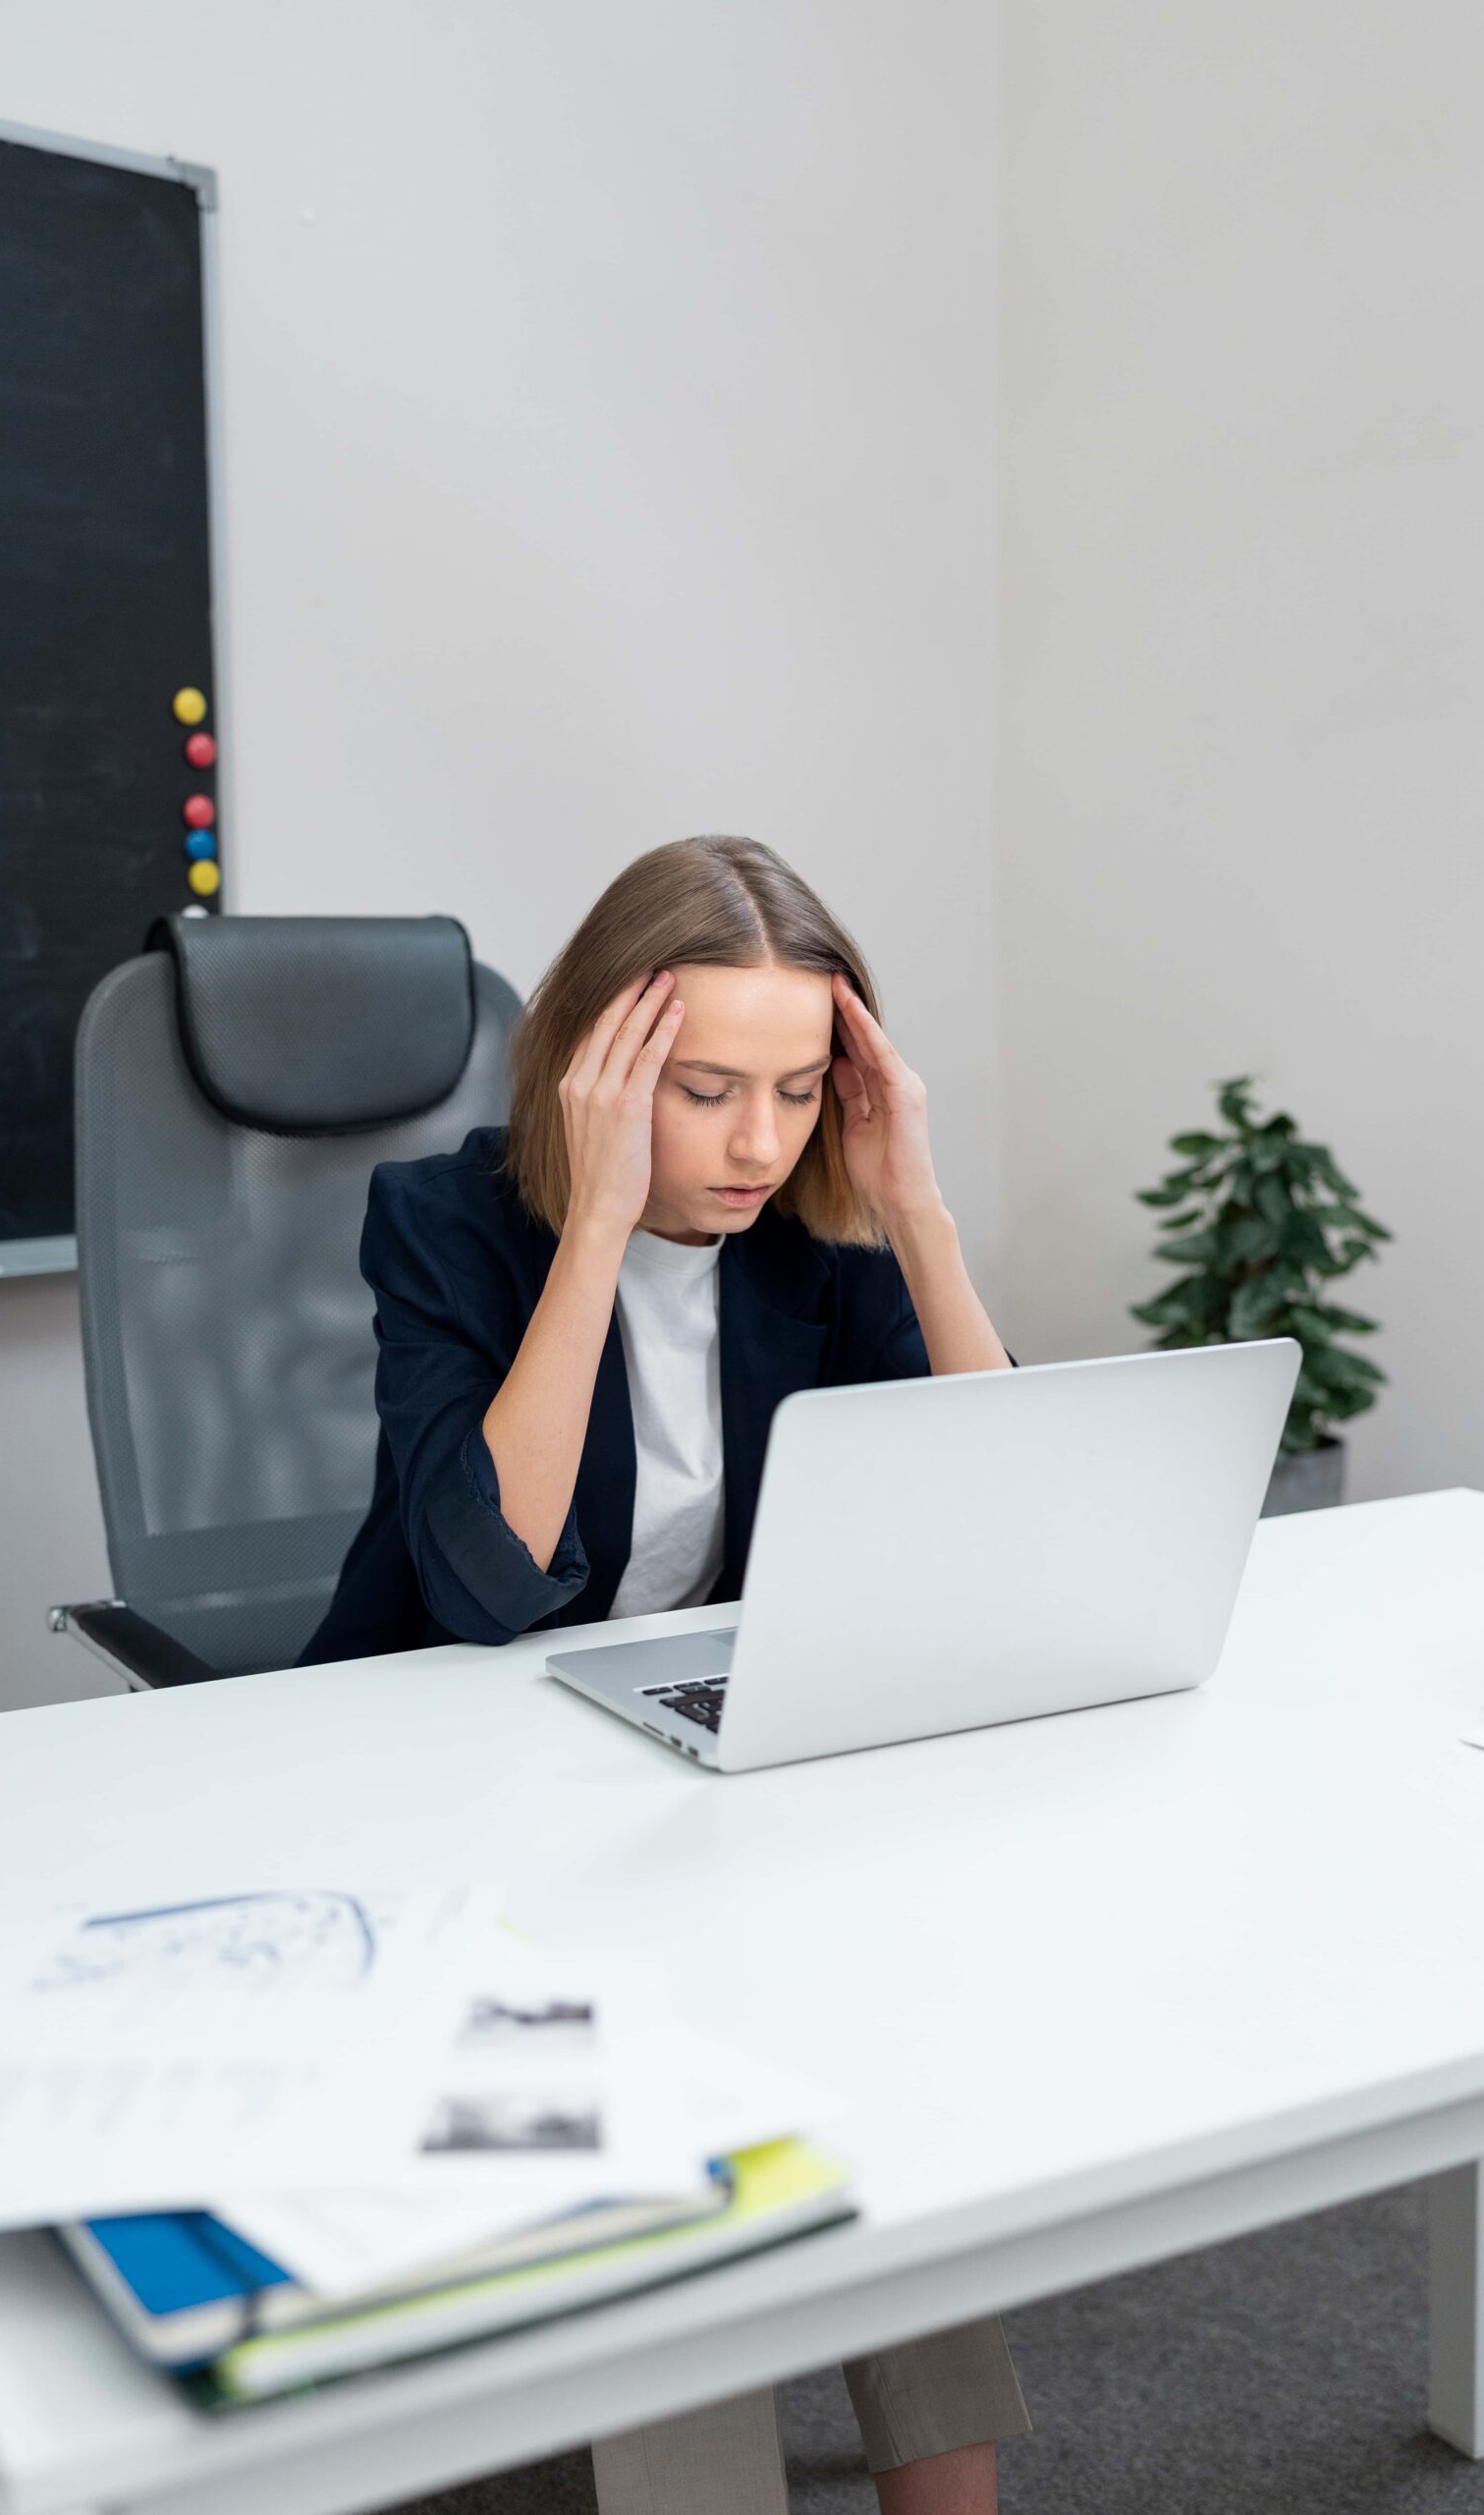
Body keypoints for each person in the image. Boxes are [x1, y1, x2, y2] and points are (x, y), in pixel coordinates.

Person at [302, 835, 1030, 2515]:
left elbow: (997, 1523)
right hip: (443, 1771)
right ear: (599, 1070)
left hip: (694, 1754)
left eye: (796, 1090)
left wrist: (914, 1204)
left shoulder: (820, 1245)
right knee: (650, 2101)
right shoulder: (443, 1227)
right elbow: (486, 1585)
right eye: (705, 1089)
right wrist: (599, 1223)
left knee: (881, 2025)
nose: (761, 1144)